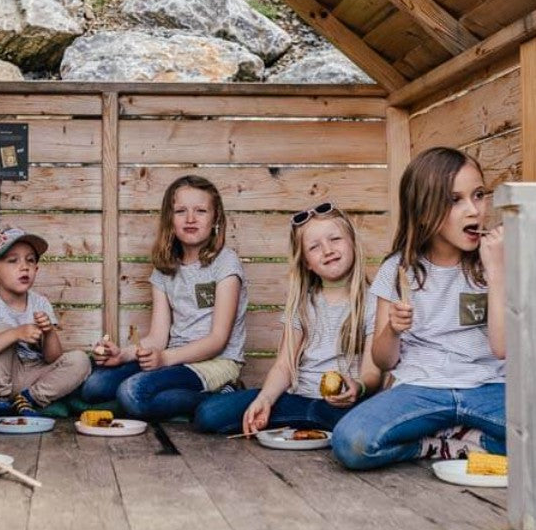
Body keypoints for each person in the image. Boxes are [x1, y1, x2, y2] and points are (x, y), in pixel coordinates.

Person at [332, 146, 506, 470]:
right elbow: (383, 360)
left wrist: (497, 273)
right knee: (350, 441)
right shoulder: (398, 270)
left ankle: (469, 441)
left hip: (490, 388)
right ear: (424, 211)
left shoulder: (498, 260)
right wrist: (393, 330)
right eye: (455, 200)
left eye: (479, 195)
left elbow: (502, 348)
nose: (474, 210)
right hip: (422, 389)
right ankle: (430, 444)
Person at [195, 201, 380, 434]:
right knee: (208, 414)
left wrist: (359, 387)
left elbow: (373, 373)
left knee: (361, 431)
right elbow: (284, 366)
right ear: (306, 263)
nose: (327, 250)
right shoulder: (302, 303)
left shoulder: (373, 301)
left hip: (342, 408)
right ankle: (298, 422)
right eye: (314, 247)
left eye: (335, 239)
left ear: (352, 242)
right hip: (297, 400)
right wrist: (265, 400)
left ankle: (325, 429)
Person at [82, 175, 248, 421]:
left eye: (200, 211)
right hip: (172, 359)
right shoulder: (164, 269)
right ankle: (170, 394)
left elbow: (218, 340)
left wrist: (165, 359)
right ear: (169, 219)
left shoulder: (225, 263)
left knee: (131, 393)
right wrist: (124, 355)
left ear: (216, 218)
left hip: (216, 362)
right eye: (181, 211)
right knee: (94, 386)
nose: (190, 218)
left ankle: (220, 396)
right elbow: (158, 338)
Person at [0, 226, 91, 416]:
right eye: (13, 260)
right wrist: (15, 334)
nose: (24, 266)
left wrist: (49, 332)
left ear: (36, 269)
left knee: (81, 360)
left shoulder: (40, 303)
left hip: (32, 376)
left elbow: (52, 358)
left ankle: (28, 399)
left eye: (30, 260)